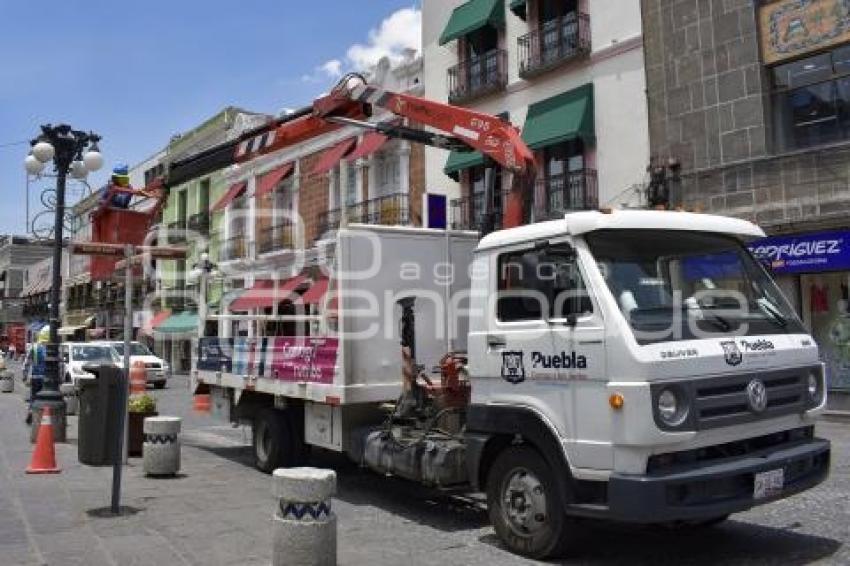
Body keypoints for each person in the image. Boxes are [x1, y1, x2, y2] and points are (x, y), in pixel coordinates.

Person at [25, 341, 47, 425]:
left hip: (35, 377)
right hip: (46, 378)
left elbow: (27, 363)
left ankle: (31, 411)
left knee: (33, 396)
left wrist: (25, 376)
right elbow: (60, 364)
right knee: (45, 397)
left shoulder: (34, 347)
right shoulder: (52, 347)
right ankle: (42, 417)